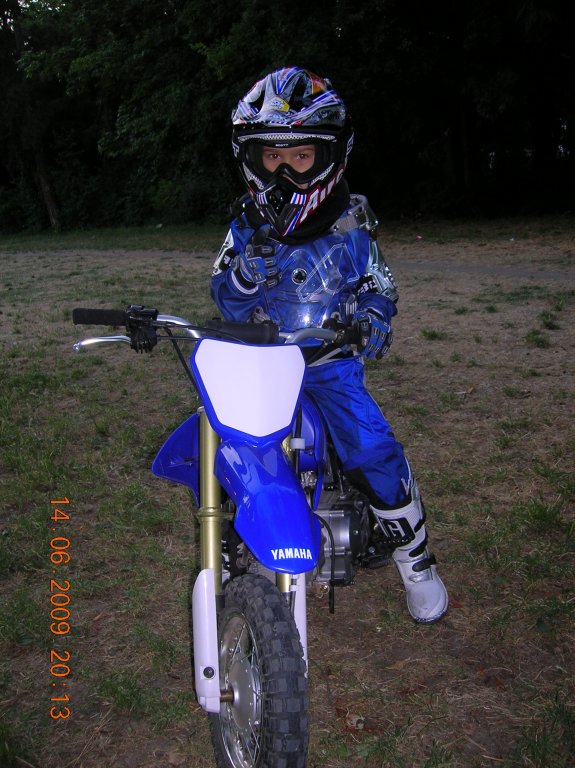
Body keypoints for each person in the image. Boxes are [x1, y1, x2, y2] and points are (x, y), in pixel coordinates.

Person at [211, 66, 448, 624]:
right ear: (250, 159)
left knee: (372, 447)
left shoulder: (350, 224)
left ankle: (415, 561)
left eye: (300, 156)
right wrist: (243, 276)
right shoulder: (246, 225)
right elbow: (224, 295)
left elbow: (378, 284)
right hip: (261, 362)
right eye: (272, 156)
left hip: (329, 362)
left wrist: (371, 318)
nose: (284, 171)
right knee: (230, 443)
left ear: (329, 156)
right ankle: (227, 546)